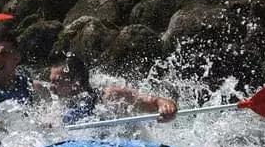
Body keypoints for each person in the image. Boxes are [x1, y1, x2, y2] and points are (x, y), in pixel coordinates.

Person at [47, 52, 179, 124]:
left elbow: (153, 101)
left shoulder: (110, 96)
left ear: (75, 81)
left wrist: (165, 105)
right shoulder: (59, 106)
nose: (51, 87)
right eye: (50, 82)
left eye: (56, 82)